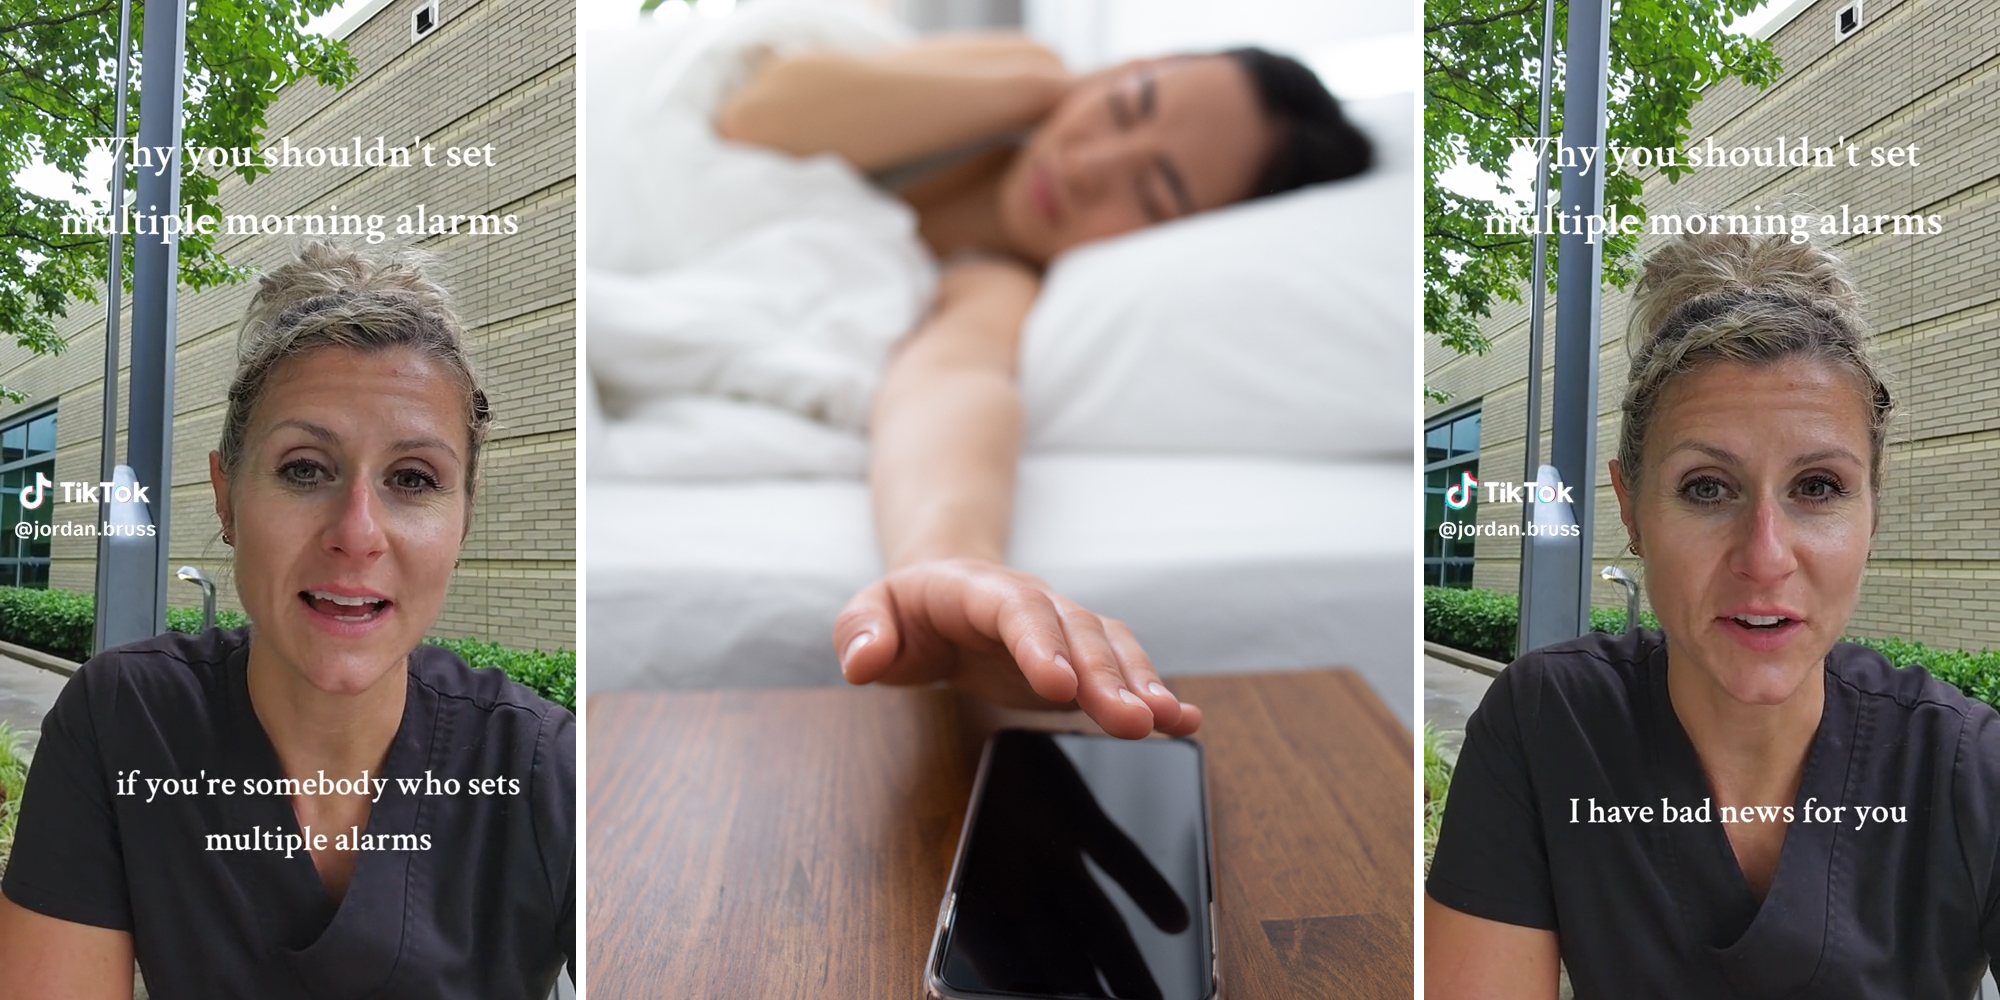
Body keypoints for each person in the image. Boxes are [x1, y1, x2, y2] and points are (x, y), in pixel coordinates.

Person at [718, 36, 1372, 739]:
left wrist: (949, 566)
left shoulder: (996, 287)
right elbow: (753, 116)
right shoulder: (1003, 75)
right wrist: (1046, 84)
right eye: (1125, 106)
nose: (1088, 165)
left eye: (1152, 193)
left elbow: (952, 382)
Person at [1423, 233, 2000, 997]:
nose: (1764, 557)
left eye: (1820, 487)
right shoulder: (1547, 724)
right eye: (1705, 488)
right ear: (1631, 507)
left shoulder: (1967, 770)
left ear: (1874, 506)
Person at [0, 243, 574, 999]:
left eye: (413, 479)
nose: (358, 532)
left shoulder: (550, 770)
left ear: (463, 521)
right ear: (227, 496)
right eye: (305, 468)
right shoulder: (124, 723)